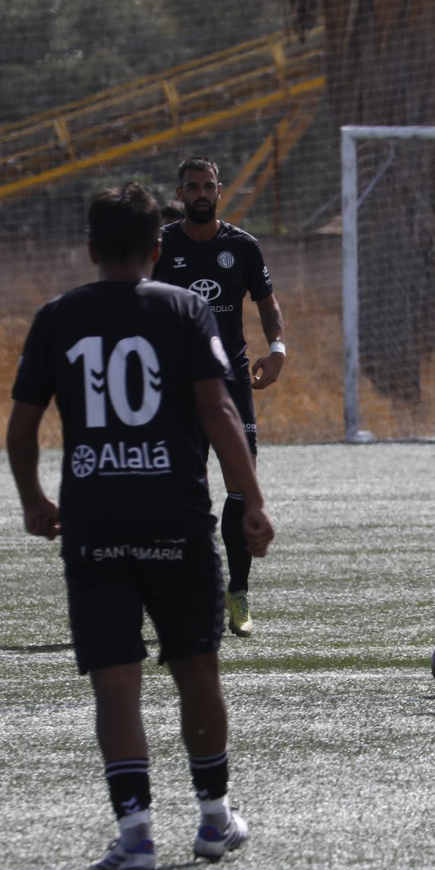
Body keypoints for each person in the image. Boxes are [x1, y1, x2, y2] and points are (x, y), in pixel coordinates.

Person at [7, 182, 275, 870]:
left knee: (116, 685)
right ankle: (214, 819)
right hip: (176, 517)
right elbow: (218, 413)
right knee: (197, 668)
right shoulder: (185, 309)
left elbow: (21, 425)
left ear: (91, 249)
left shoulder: (58, 316)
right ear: (158, 249)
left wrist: (35, 499)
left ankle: (135, 834)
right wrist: (251, 500)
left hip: (95, 521)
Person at [152, 157, 285, 638]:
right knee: (177, 492)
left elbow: (267, 303)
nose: (201, 193)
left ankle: (238, 590)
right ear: (181, 192)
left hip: (231, 382)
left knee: (240, 487)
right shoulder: (161, 246)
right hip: (176, 385)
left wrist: (277, 349)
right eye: (192, 187)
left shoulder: (242, 246)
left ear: (220, 190)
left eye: (208, 185)